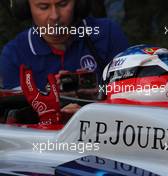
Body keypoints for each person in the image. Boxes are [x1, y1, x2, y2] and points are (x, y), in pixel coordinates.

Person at [0, 0, 129, 124]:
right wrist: (51, 109)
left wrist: (100, 94)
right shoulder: (14, 54)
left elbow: (131, 93)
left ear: (79, 3)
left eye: (63, 4)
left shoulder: (108, 34)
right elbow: (14, 118)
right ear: (26, 8)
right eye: (43, 7)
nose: (54, 16)